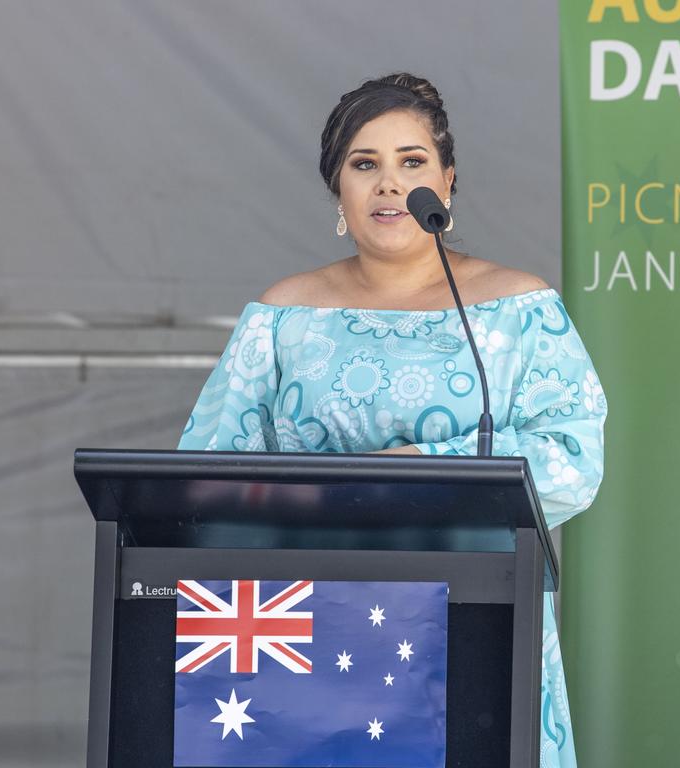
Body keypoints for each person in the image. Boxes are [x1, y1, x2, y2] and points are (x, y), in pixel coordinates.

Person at [178, 72, 607, 768]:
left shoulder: (517, 309)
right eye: (363, 164)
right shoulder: (283, 314)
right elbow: (207, 474)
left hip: (478, 623)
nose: (388, 185)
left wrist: (423, 470)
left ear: (447, 183)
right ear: (337, 191)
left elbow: (572, 456)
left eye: (412, 163)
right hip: (311, 630)